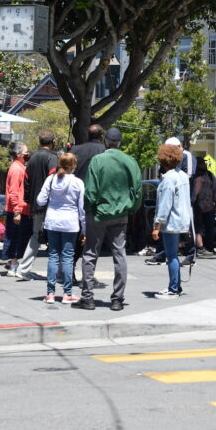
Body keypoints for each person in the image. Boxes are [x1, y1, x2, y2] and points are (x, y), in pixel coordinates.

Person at [75, 127, 142, 312]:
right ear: (120, 142)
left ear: (106, 141)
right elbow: (137, 192)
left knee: (90, 254)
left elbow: (91, 191)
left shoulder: (98, 161)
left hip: (98, 213)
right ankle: (117, 299)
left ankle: (87, 298)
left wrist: (90, 210)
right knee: (119, 254)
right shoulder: (130, 161)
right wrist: (131, 209)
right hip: (121, 214)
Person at [36, 152, 85, 304]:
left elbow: (40, 201)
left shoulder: (51, 180)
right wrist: (85, 229)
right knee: (68, 258)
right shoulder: (77, 182)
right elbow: (82, 209)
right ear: (73, 165)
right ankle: (67, 293)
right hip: (70, 223)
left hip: (52, 222)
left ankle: (50, 293)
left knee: (53, 256)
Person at [16, 130, 59, 281]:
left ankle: (23, 269)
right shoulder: (52, 158)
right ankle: (59, 273)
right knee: (56, 237)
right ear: (52, 141)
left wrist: (29, 201)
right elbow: (54, 181)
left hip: (36, 205)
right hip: (50, 205)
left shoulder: (32, 159)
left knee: (36, 237)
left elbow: (26, 182)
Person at [152, 144, 192, 300]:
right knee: (174, 255)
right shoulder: (182, 175)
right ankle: (176, 286)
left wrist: (157, 225)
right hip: (182, 220)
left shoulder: (168, 178)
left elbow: (165, 204)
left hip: (171, 221)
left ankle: (173, 288)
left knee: (171, 256)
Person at [68, 125, 106, 285]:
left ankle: (68, 272)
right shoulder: (104, 151)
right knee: (92, 241)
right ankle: (88, 276)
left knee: (77, 238)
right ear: (101, 136)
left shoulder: (75, 150)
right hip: (96, 199)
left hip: (75, 198)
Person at [2, 141, 30, 278]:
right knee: (16, 238)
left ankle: (12, 264)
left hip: (18, 208)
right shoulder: (17, 169)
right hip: (17, 209)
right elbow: (13, 192)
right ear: (18, 154)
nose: (27, 155)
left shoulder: (18, 167)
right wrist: (17, 211)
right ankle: (13, 265)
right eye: (25, 153)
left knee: (15, 237)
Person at [192, 157, 216, 256]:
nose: (204, 164)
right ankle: (200, 247)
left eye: (204, 163)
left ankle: (209, 247)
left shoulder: (210, 175)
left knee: (210, 229)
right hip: (197, 206)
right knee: (198, 228)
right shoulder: (194, 176)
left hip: (209, 207)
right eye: (202, 163)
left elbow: (215, 189)